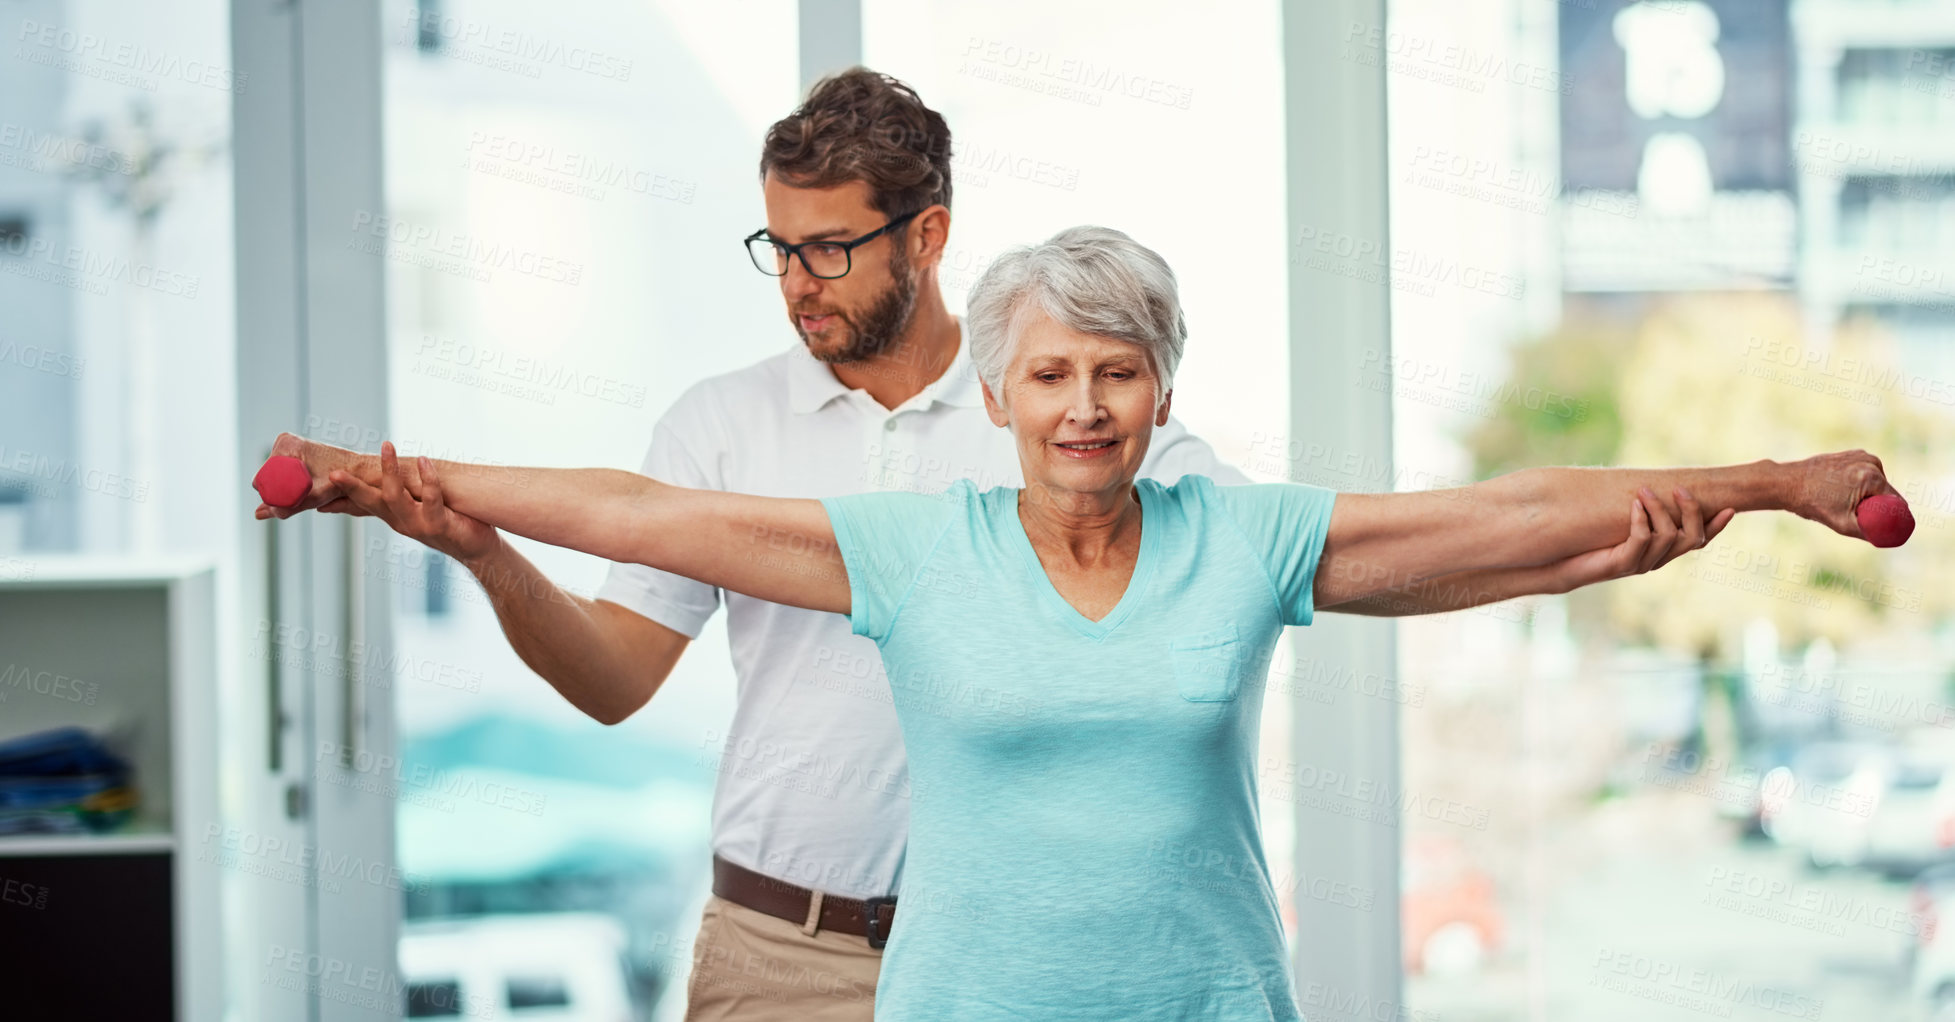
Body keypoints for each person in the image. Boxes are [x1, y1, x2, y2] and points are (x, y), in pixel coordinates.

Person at [256, 68, 1695, 1022]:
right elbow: (616, 677)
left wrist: (1588, 550)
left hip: (1024, 966)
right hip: (782, 944)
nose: (799, 283)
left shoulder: (1073, 422)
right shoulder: (720, 422)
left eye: (830, 247)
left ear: (925, 233)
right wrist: (483, 549)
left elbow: (1341, 562)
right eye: (778, 248)